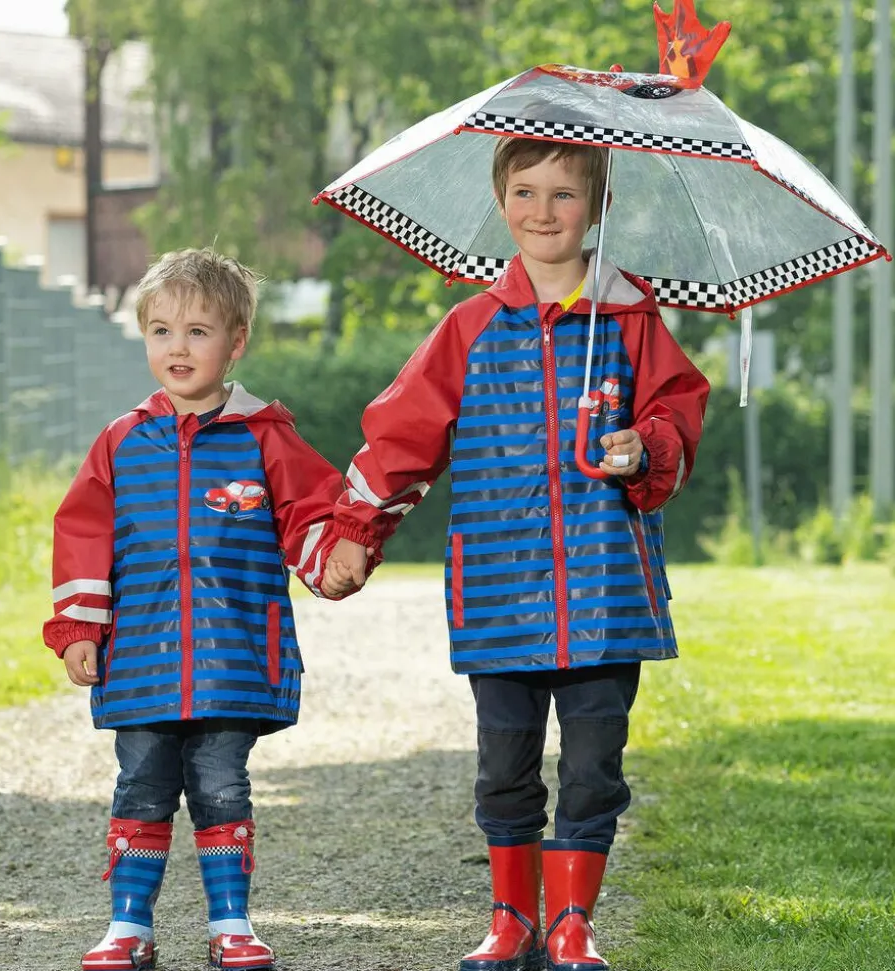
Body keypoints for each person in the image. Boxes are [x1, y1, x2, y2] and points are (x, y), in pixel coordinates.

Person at [323, 137, 710, 971]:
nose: (543, 212)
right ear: (502, 203)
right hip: (500, 587)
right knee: (504, 764)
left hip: (606, 591)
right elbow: (402, 437)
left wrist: (643, 446)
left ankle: (573, 925)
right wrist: (357, 531)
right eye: (526, 193)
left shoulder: (632, 320)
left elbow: (678, 412)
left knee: (595, 764)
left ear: (598, 207)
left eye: (565, 195)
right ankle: (511, 921)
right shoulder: (469, 325)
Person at [44, 248, 347, 971]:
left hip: (232, 654)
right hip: (143, 655)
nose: (177, 347)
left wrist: (336, 554)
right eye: (161, 331)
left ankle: (231, 921)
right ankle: (129, 925)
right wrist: (81, 627)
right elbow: (82, 532)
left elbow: (314, 510)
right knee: (141, 780)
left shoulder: (264, 435)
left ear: (236, 340)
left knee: (220, 783)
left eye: (198, 331)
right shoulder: (121, 442)